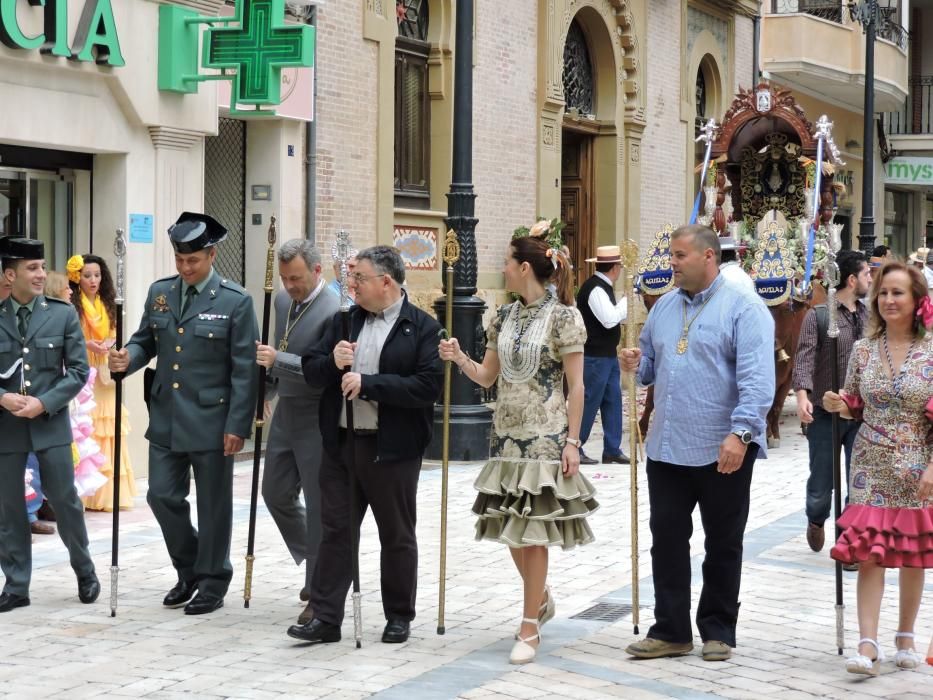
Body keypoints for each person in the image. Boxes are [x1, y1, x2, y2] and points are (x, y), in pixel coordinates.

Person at [438, 228, 598, 665]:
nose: (503, 268)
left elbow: (577, 386)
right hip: (505, 438)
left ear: (524, 267)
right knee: (511, 529)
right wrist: (458, 358)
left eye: (507, 261)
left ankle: (529, 625)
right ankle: (540, 596)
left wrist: (572, 441)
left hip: (545, 438)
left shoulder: (565, 317)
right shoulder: (503, 317)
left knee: (534, 533)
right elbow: (488, 377)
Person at [620, 224, 775, 662]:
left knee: (723, 541)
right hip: (667, 446)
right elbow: (651, 363)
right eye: (672, 254)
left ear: (709, 257)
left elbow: (758, 382)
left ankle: (718, 628)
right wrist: (637, 361)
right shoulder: (663, 307)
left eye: (680, 255)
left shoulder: (744, 308)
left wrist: (741, 434)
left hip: (721, 447)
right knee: (666, 538)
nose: (672, 262)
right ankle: (671, 629)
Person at [287, 245, 442, 646]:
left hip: (392, 448)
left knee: (396, 534)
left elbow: (428, 387)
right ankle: (325, 616)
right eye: (351, 279)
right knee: (335, 531)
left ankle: (398, 616)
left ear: (386, 282)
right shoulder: (345, 321)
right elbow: (310, 369)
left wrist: (370, 385)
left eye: (360, 279)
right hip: (341, 444)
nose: (352, 285)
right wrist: (332, 361)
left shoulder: (422, 327)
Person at [108, 212, 258, 615]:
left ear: (210, 255)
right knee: (160, 495)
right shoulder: (161, 293)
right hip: (166, 416)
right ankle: (189, 566)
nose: (185, 268)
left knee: (213, 505)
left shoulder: (236, 301)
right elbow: (145, 341)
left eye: (192, 260)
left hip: (213, 420)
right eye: (179, 260)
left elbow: (245, 370)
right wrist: (127, 359)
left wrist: (238, 425)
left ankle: (212, 579)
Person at [824, 260, 933, 675]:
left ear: (917, 299)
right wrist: (841, 403)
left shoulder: (932, 351)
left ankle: (905, 635)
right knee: (870, 554)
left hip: (919, 466)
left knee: (911, 555)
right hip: (869, 463)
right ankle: (866, 643)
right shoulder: (862, 349)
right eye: (883, 293)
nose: (889, 300)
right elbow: (853, 401)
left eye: (898, 293)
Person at [0, 237, 99, 612]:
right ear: (11, 274)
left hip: (50, 423)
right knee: (8, 508)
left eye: (42, 267)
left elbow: (77, 371)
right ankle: (17, 584)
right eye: (32, 268)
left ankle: (85, 570)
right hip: (6, 427)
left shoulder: (61, 315)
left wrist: (44, 402)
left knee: (65, 502)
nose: (42, 274)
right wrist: (2, 397)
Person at [255, 238, 339, 625]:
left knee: (320, 506)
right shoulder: (282, 301)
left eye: (297, 278)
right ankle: (324, 564)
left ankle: (318, 590)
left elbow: (322, 367)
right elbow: (277, 348)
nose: (290, 286)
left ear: (317, 271)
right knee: (274, 491)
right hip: (286, 410)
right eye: (286, 278)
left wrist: (279, 361)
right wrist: (267, 392)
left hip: (317, 413)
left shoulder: (336, 308)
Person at [792, 250, 870, 554]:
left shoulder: (869, 316)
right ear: (851, 280)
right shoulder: (820, 315)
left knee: (857, 479)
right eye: (866, 274)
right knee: (823, 479)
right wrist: (802, 397)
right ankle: (816, 517)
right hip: (825, 413)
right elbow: (804, 357)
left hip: (859, 415)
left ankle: (848, 539)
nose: (869, 280)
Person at [66, 254, 137, 511]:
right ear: (77, 279)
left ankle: (108, 494)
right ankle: (85, 493)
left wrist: (110, 344)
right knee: (87, 430)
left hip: (104, 373)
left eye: (97, 275)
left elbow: (116, 334)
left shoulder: (108, 303)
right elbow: (69, 337)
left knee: (110, 429)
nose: (93, 280)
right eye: (86, 276)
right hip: (83, 374)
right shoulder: (72, 305)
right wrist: (87, 343)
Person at [576, 245, 629, 466]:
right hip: (595, 356)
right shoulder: (596, 289)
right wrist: (628, 301)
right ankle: (576, 445)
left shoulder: (601, 287)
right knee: (590, 401)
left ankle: (612, 448)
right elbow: (609, 319)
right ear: (615, 268)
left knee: (612, 401)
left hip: (606, 355)